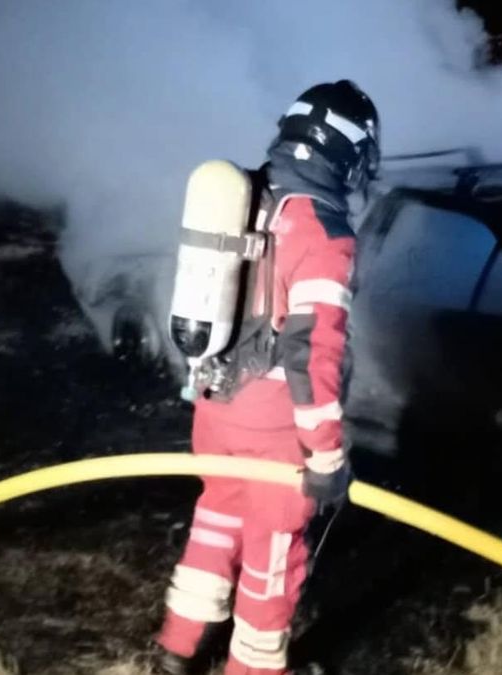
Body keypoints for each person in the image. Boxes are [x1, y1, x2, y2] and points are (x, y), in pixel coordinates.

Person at [155, 80, 378, 675]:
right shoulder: (323, 232)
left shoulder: (246, 193)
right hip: (275, 428)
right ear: (347, 153)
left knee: (216, 519)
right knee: (273, 558)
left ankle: (176, 648)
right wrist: (326, 455)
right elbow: (313, 353)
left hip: (216, 404)